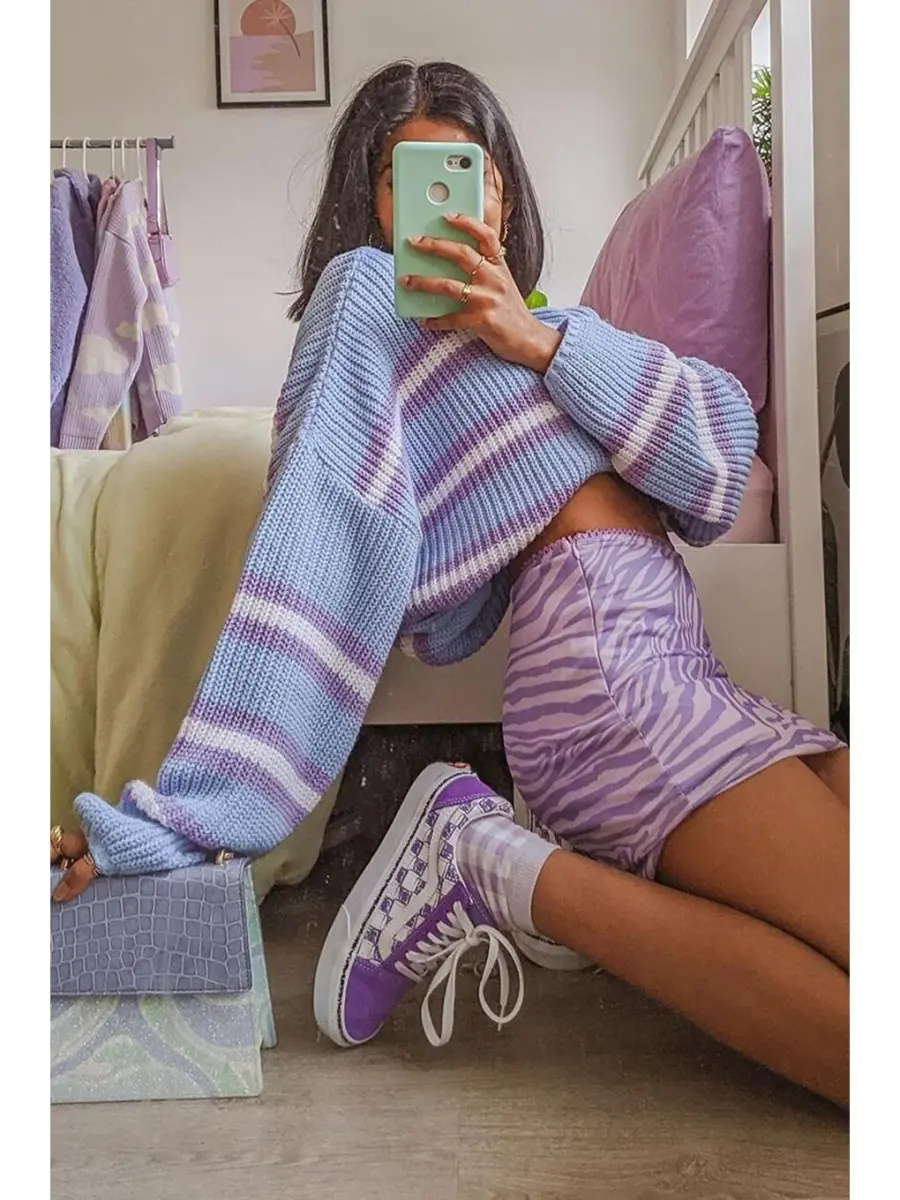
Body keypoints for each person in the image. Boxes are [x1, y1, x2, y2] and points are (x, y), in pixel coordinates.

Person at [51, 61, 848, 1108]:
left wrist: (536, 338)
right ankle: (492, 863)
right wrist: (188, 814)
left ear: (502, 191)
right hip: (610, 679)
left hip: (689, 672)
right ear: (373, 200)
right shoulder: (365, 303)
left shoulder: (565, 334)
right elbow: (318, 533)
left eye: (472, 172)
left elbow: (717, 458)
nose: (448, 199)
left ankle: (508, 861)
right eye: (408, 176)